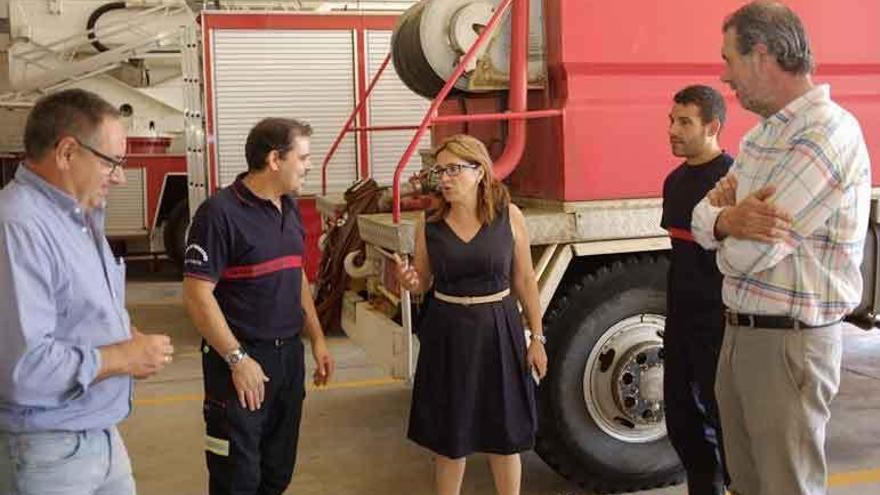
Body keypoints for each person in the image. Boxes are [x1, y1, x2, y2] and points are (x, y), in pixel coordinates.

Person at [691, 2, 872, 494]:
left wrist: (721, 237)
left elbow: (748, 255)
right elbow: (701, 218)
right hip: (743, 337)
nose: (725, 76)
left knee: (785, 486)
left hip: (787, 346)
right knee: (747, 486)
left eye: (729, 59)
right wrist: (728, 220)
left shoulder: (825, 135)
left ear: (763, 54)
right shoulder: (762, 137)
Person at [0, 88, 174, 495]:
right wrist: (122, 357)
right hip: (47, 450)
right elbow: (24, 371)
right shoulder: (18, 227)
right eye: (111, 162)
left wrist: (127, 337)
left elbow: (79, 310)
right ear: (66, 153)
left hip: (98, 433)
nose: (121, 176)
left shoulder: (78, 217)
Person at [182, 117, 335, 495]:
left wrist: (316, 338)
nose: (309, 165)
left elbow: (295, 274)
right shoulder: (219, 213)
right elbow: (197, 295)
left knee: (276, 473)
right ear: (274, 160)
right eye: (302, 157)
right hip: (240, 363)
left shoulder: (289, 206)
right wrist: (237, 360)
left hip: (288, 359)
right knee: (237, 478)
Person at [393, 134, 547, 495]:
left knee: (504, 434)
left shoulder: (509, 216)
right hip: (447, 334)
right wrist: (409, 281)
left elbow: (524, 279)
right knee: (451, 436)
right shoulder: (428, 225)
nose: (444, 179)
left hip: (499, 329)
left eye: (454, 170)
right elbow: (422, 282)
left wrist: (537, 337)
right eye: (439, 171)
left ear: (480, 172)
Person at [661, 84, 732, 495]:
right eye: (671, 121)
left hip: (719, 325)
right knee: (682, 422)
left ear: (712, 126)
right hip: (681, 323)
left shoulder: (731, 179)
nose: (672, 129)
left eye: (684, 122)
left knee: (726, 425)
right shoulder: (674, 182)